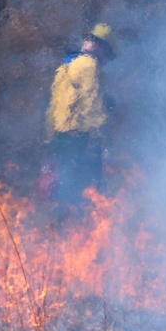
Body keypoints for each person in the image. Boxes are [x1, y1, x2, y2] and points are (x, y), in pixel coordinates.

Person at [44, 23, 117, 207]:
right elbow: (91, 104)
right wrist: (102, 139)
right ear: (101, 48)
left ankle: (61, 212)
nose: (106, 61)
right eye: (107, 55)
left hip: (60, 133)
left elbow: (54, 105)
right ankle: (68, 215)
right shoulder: (89, 65)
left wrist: (49, 134)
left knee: (64, 175)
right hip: (76, 133)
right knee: (77, 180)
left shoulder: (67, 64)